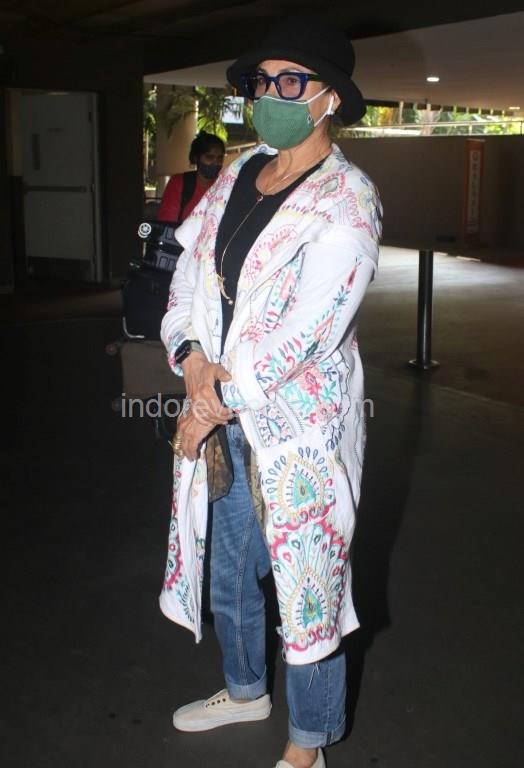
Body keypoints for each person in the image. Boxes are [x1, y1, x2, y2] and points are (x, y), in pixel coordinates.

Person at [160, 18, 382, 768]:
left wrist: (208, 402)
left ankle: (307, 746)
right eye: (263, 82)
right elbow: (190, 269)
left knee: (307, 587)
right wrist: (190, 355)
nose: (272, 96)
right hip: (222, 410)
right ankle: (246, 689)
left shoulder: (349, 201)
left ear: (330, 98)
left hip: (296, 429)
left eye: (292, 82)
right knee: (229, 568)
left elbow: (306, 334)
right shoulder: (241, 170)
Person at [157, 130, 225, 222]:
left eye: (220, 158)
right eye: (209, 157)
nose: (216, 163)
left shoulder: (224, 186)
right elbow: (167, 222)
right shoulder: (179, 183)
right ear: (196, 158)